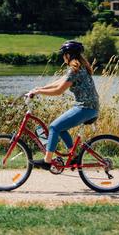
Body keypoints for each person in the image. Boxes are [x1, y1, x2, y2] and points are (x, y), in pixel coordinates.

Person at [28, 40, 99, 170]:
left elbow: (59, 91)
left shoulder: (74, 69)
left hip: (85, 108)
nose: (63, 57)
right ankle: (74, 156)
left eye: (64, 54)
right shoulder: (80, 66)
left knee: (54, 127)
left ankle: (47, 161)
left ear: (68, 55)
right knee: (61, 128)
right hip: (89, 108)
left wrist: (39, 92)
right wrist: (42, 87)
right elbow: (60, 82)